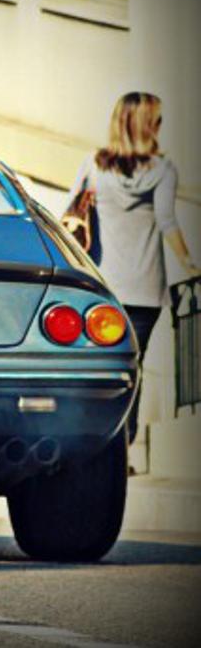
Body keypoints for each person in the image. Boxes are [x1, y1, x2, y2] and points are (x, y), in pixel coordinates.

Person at [67, 92, 200, 444]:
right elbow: (167, 221)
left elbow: (70, 212)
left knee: (100, 366)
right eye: (157, 120)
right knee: (132, 366)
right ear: (147, 125)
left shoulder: (94, 164)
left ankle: (98, 439)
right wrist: (189, 264)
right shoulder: (163, 170)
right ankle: (126, 439)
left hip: (103, 287)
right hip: (146, 289)